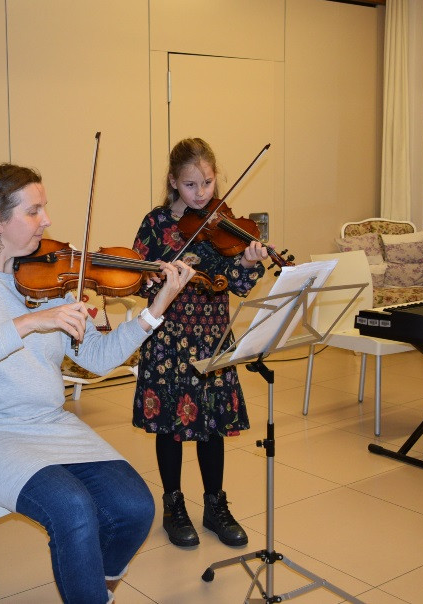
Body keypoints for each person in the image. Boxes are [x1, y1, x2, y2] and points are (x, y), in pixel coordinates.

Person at [0, 163, 196, 603]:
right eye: (33, 211)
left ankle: (94, 592)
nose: (47, 220)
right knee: (73, 509)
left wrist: (155, 310)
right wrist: (30, 322)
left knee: (135, 507)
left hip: (47, 423)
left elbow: (97, 357)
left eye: (44, 208)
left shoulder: (50, 277)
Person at [131, 137, 269, 548]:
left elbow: (237, 285)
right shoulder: (156, 223)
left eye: (207, 183)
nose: (201, 193)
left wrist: (247, 262)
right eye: (191, 185)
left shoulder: (222, 222)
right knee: (169, 427)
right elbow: (138, 281)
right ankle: (173, 504)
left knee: (212, 426)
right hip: (169, 338)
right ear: (174, 182)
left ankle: (215, 505)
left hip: (212, 336)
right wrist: (155, 276)